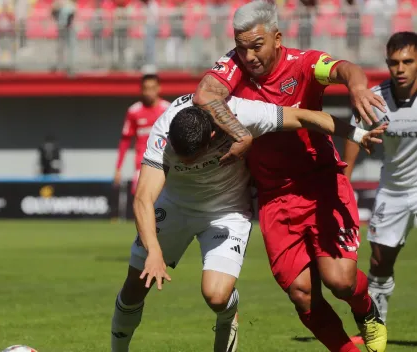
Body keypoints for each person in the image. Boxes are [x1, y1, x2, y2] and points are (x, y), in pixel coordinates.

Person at [110, 93, 386, 352]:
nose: (183, 161)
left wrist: (357, 134)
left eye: (190, 157)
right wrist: (154, 253)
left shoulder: (242, 113)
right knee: (135, 286)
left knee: (217, 296)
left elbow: (304, 117)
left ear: (214, 135)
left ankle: (229, 314)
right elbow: (143, 199)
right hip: (176, 206)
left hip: (226, 210)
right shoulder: (164, 131)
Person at [192, 1, 388, 351]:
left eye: (256, 46)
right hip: (274, 196)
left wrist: (357, 87)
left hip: (320, 183)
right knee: (301, 294)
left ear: (277, 38)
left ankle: (367, 310)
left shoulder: (305, 63)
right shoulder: (234, 65)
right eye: (241, 47)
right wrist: (240, 134)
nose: (248, 55)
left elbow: (344, 68)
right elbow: (205, 94)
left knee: (340, 281)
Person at [343, 31, 417, 331]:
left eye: (408, 61)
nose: (400, 69)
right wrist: (343, 182)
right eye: (394, 62)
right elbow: (353, 134)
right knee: (378, 263)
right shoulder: (374, 99)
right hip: (394, 190)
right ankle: (377, 322)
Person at [114, 74, 170, 194]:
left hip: (165, 162)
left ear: (159, 88)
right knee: (141, 201)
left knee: (164, 203)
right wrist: (118, 168)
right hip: (142, 164)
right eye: (146, 88)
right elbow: (125, 141)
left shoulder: (168, 109)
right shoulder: (134, 111)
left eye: (152, 88)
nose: (149, 92)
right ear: (141, 89)